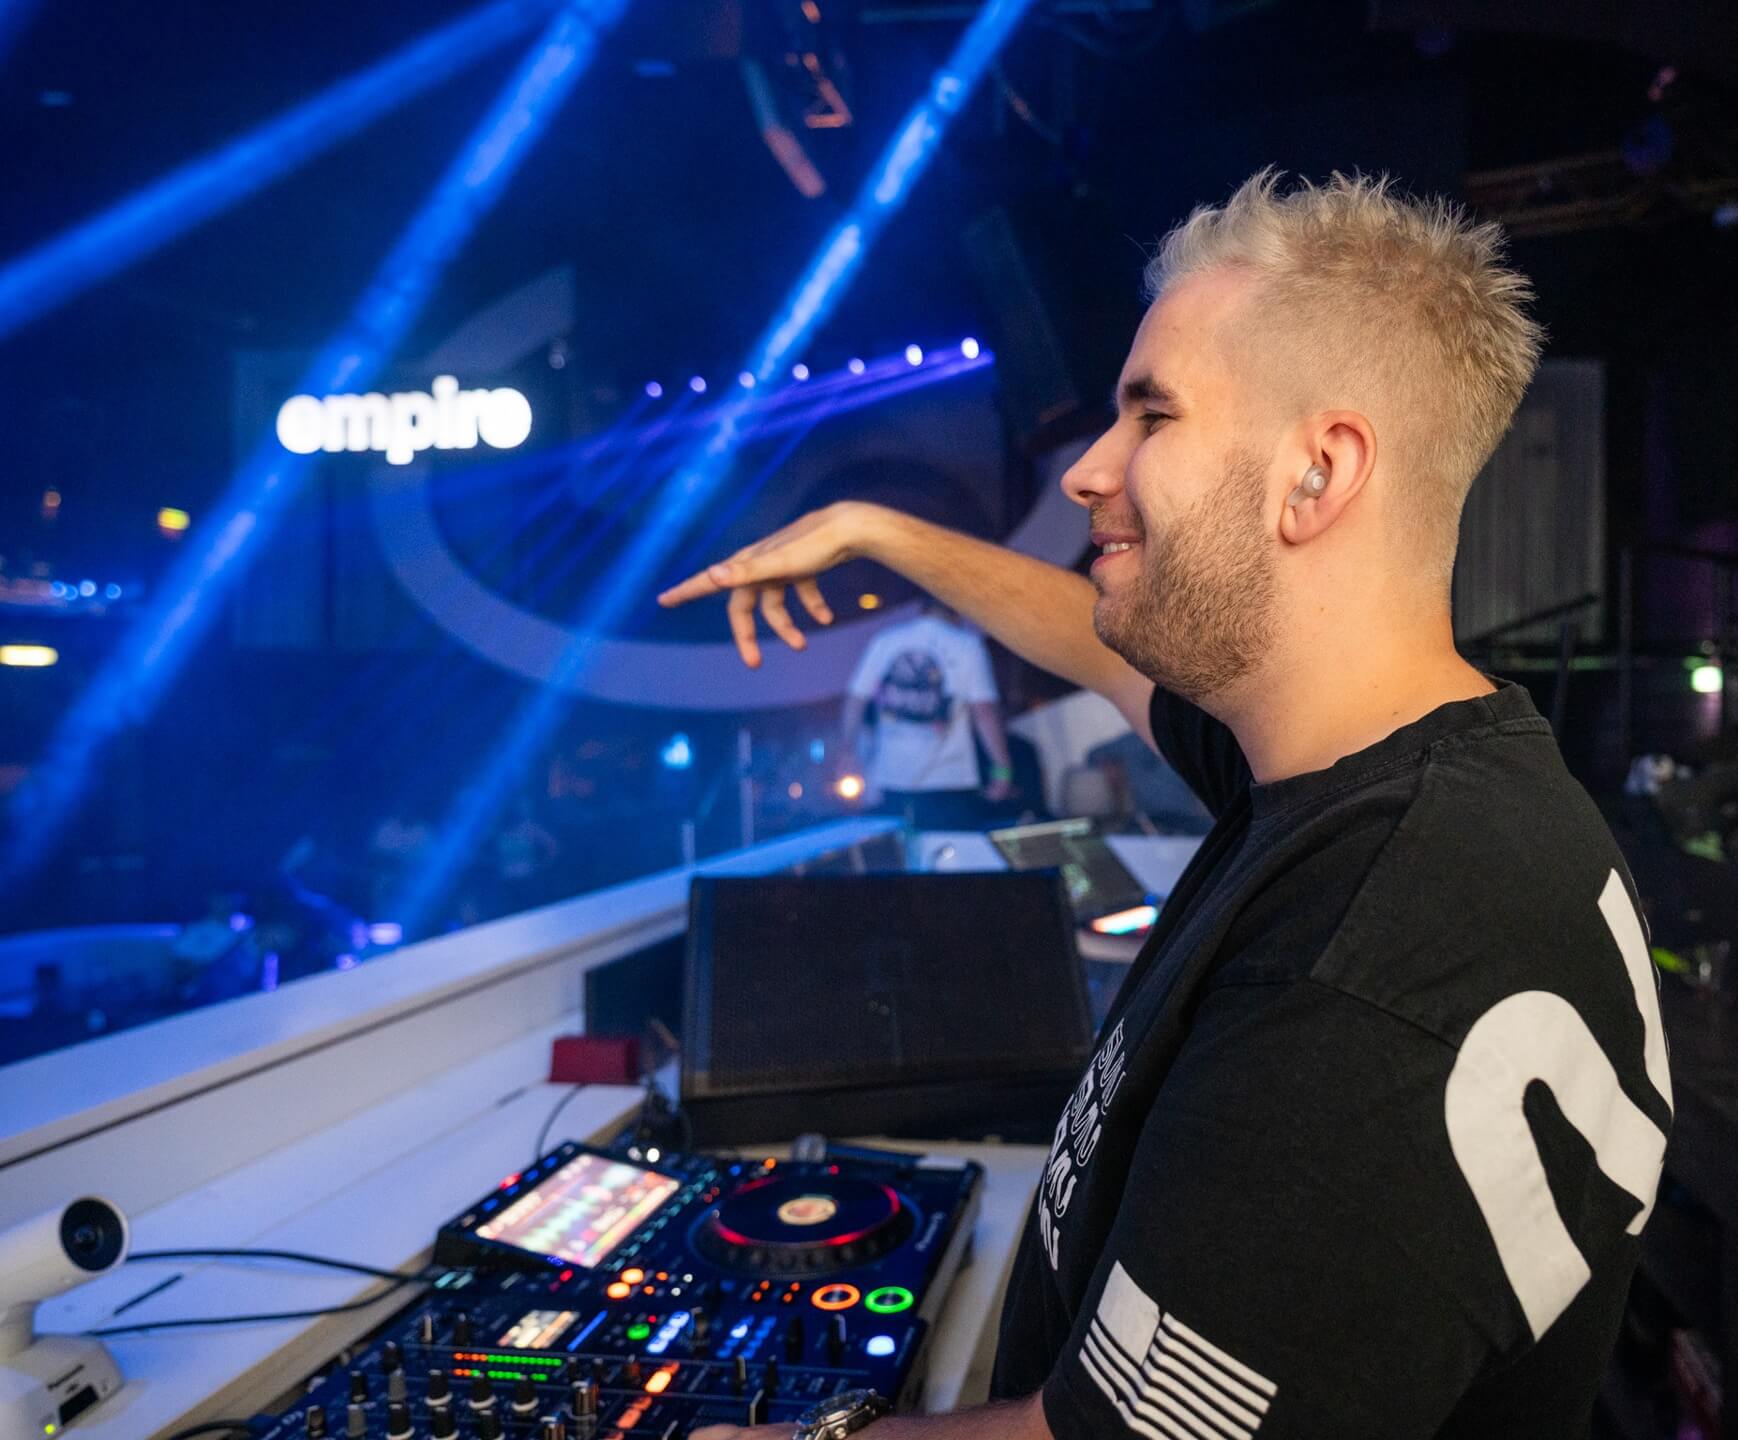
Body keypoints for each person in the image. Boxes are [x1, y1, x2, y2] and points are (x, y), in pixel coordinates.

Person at [662, 170, 1672, 1440]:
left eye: (1151, 414)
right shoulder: (1386, 783)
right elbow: (1096, 646)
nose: (1091, 470)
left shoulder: (1372, 960)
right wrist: (884, 533)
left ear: (1318, 473)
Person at [841, 601, 1017, 829]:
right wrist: (1002, 770)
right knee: (951, 849)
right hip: (949, 781)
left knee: (903, 850)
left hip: (892, 781)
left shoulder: (885, 641)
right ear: (957, 610)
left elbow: (855, 701)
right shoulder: (967, 645)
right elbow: (984, 713)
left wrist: (848, 753)